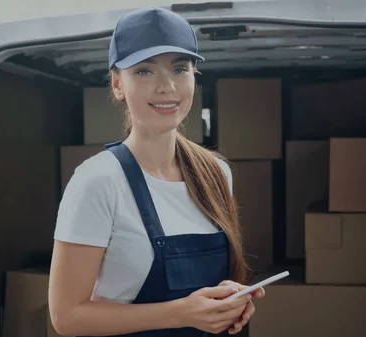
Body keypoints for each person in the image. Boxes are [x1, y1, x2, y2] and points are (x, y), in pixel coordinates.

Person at [48, 7, 266, 337]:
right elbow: (66, 317)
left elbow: (206, 288)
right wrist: (182, 314)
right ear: (118, 84)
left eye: (180, 69)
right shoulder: (97, 182)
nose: (167, 86)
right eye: (145, 71)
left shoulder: (216, 173)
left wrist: (228, 300)